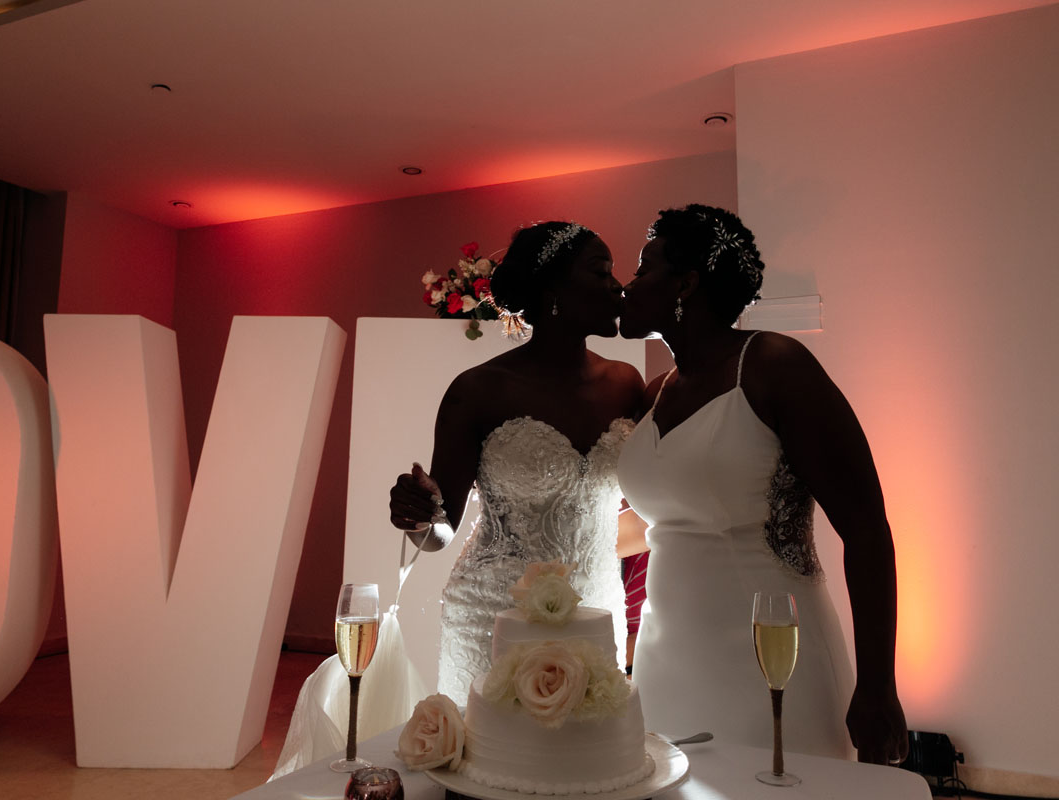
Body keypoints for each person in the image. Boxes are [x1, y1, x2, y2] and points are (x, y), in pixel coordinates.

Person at [616, 204, 909, 765]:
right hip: (665, 662)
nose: (629, 286)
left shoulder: (775, 365)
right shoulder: (655, 392)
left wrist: (878, 685)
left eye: (642, 268)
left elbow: (868, 531)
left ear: (687, 283)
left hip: (772, 660)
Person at [388, 221, 645, 702]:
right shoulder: (478, 391)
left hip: (596, 612)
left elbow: (650, 504)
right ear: (553, 288)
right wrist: (417, 516)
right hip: (495, 617)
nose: (617, 285)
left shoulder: (628, 385)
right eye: (600, 270)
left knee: (587, 771)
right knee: (491, 765)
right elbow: (441, 532)